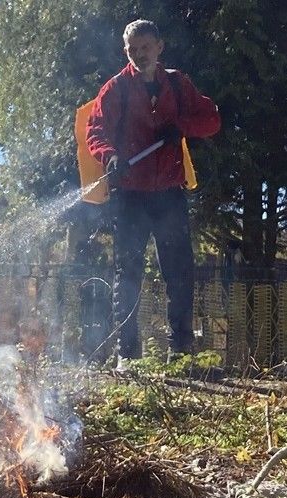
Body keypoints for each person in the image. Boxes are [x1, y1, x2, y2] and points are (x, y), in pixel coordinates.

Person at [85, 18, 221, 364]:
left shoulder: (178, 84)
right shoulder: (115, 89)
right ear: (125, 51)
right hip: (130, 196)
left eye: (145, 47)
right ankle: (128, 356)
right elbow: (95, 131)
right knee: (127, 273)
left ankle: (181, 351)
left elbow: (212, 120)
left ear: (159, 47)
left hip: (169, 195)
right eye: (132, 49)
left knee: (179, 272)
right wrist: (110, 156)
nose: (139, 54)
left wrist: (182, 127)